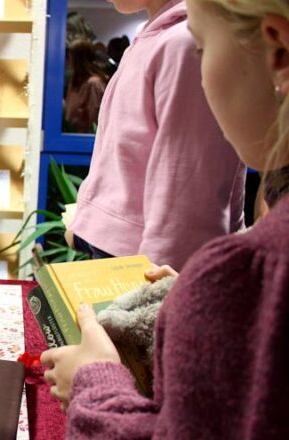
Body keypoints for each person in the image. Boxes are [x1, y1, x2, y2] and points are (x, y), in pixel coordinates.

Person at [41, 0, 289, 437]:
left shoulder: (176, 41)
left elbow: (183, 185)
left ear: (278, 52)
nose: (200, 58)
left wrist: (168, 306)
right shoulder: (155, 36)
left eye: (204, 50)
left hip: (147, 266)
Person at [65, 0, 246, 271]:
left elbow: (187, 191)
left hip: (147, 264)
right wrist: (89, 218)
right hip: (126, 253)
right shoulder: (155, 38)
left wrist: (158, 293)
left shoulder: (184, 43)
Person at [64, 38, 108, 133]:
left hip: (85, 142)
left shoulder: (94, 84)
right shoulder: (74, 82)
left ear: (78, 59)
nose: (68, 60)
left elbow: (98, 120)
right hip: (71, 139)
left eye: (70, 57)